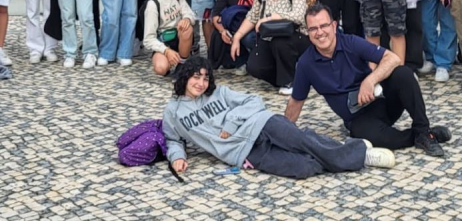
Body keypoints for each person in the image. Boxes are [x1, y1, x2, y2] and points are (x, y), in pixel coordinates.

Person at [165, 57, 394, 179]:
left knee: (301, 142)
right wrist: (177, 157)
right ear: (185, 78)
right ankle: (334, 148)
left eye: (205, 79)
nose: (201, 84)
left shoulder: (219, 92)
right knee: (304, 167)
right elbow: (173, 140)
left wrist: (231, 121)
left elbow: (254, 101)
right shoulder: (173, 113)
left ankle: (361, 155)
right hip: (244, 153)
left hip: (261, 124)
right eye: (196, 78)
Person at [286, 4, 450, 156]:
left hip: (382, 100)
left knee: (403, 74)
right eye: (313, 28)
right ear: (307, 32)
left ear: (334, 26)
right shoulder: (306, 64)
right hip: (358, 119)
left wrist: (370, 80)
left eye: (324, 26)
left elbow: (392, 58)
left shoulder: (351, 42)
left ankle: (422, 128)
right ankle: (424, 135)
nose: (320, 32)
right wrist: (281, 134)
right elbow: (296, 102)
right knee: (367, 137)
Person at [229, 0, 310, 94]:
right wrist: (237, 37)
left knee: (280, 42)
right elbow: (253, 16)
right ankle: (292, 78)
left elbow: (299, 15)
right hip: (268, 37)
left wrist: (271, 17)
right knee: (254, 67)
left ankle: (288, 82)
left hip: (296, 36)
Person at [209, 0, 257, 71]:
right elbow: (216, 14)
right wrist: (222, 30)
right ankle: (242, 61)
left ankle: (255, 58)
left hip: (255, 25)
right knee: (220, 34)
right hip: (236, 25)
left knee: (248, 38)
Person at [144, 0, 196, 76]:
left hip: (179, 35)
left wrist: (186, 19)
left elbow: (189, 13)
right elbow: (148, 39)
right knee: (161, 69)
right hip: (163, 40)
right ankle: (169, 59)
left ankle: (183, 63)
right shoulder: (153, 5)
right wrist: (165, 50)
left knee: (187, 29)